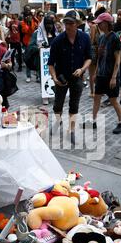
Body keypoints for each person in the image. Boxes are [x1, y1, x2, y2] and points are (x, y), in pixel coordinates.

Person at [48, 10, 92, 145]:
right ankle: (57, 121)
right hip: (61, 78)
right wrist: (54, 77)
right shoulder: (58, 40)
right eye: (66, 22)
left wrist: (82, 69)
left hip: (77, 77)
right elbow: (50, 63)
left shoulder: (85, 38)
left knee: (74, 105)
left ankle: (71, 131)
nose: (68, 25)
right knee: (58, 104)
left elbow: (89, 58)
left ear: (77, 24)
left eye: (71, 23)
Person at [87, 12, 121, 134]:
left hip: (110, 75)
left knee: (113, 100)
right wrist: (95, 73)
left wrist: (114, 77)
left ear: (107, 23)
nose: (98, 25)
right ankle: (93, 121)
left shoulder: (114, 37)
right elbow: (100, 57)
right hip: (101, 75)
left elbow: (118, 58)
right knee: (97, 98)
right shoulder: (102, 37)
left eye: (100, 23)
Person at [29, 15, 57, 104]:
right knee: (44, 77)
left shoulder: (55, 33)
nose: (49, 26)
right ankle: (45, 95)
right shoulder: (37, 33)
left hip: (55, 61)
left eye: (51, 24)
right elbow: (31, 46)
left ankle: (55, 93)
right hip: (43, 61)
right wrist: (39, 48)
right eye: (47, 24)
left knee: (55, 77)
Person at [88, 7, 106, 98]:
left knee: (96, 73)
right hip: (96, 51)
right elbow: (91, 41)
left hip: (100, 51)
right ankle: (93, 91)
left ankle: (97, 90)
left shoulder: (99, 26)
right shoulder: (95, 26)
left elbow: (91, 40)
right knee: (94, 73)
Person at [21, 11, 38, 83]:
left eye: (29, 16)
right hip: (26, 44)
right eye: (27, 16)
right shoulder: (23, 23)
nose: (28, 17)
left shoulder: (35, 22)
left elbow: (36, 31)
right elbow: (26, 31)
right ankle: (28, 76)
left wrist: (32, 22)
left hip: (34, 44)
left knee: (37, 60)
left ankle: (38, 76)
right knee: (27, 60)